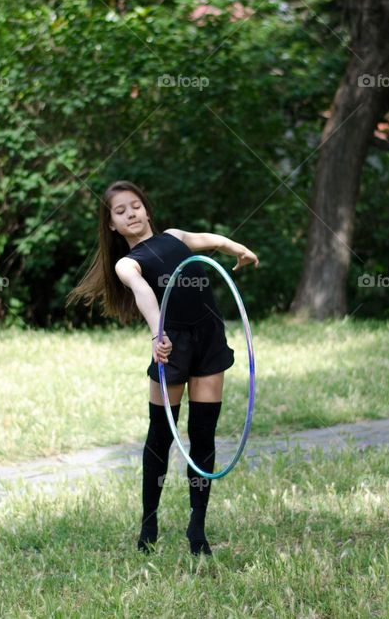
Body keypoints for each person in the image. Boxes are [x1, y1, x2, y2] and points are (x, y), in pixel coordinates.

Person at [66, 180, 259, 556]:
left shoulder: (174, 236)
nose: (130, 214)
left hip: (208, 340)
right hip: (170, 347)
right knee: (162, 435)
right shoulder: (127, 263)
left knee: (203, 436)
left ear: (147, 210)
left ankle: (197, 528)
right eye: (119, 212)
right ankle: (148, 523)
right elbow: (143, 293)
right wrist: (158, 334)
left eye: (134, 206)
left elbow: (212, 240)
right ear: (111, 226)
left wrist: (240, 250)